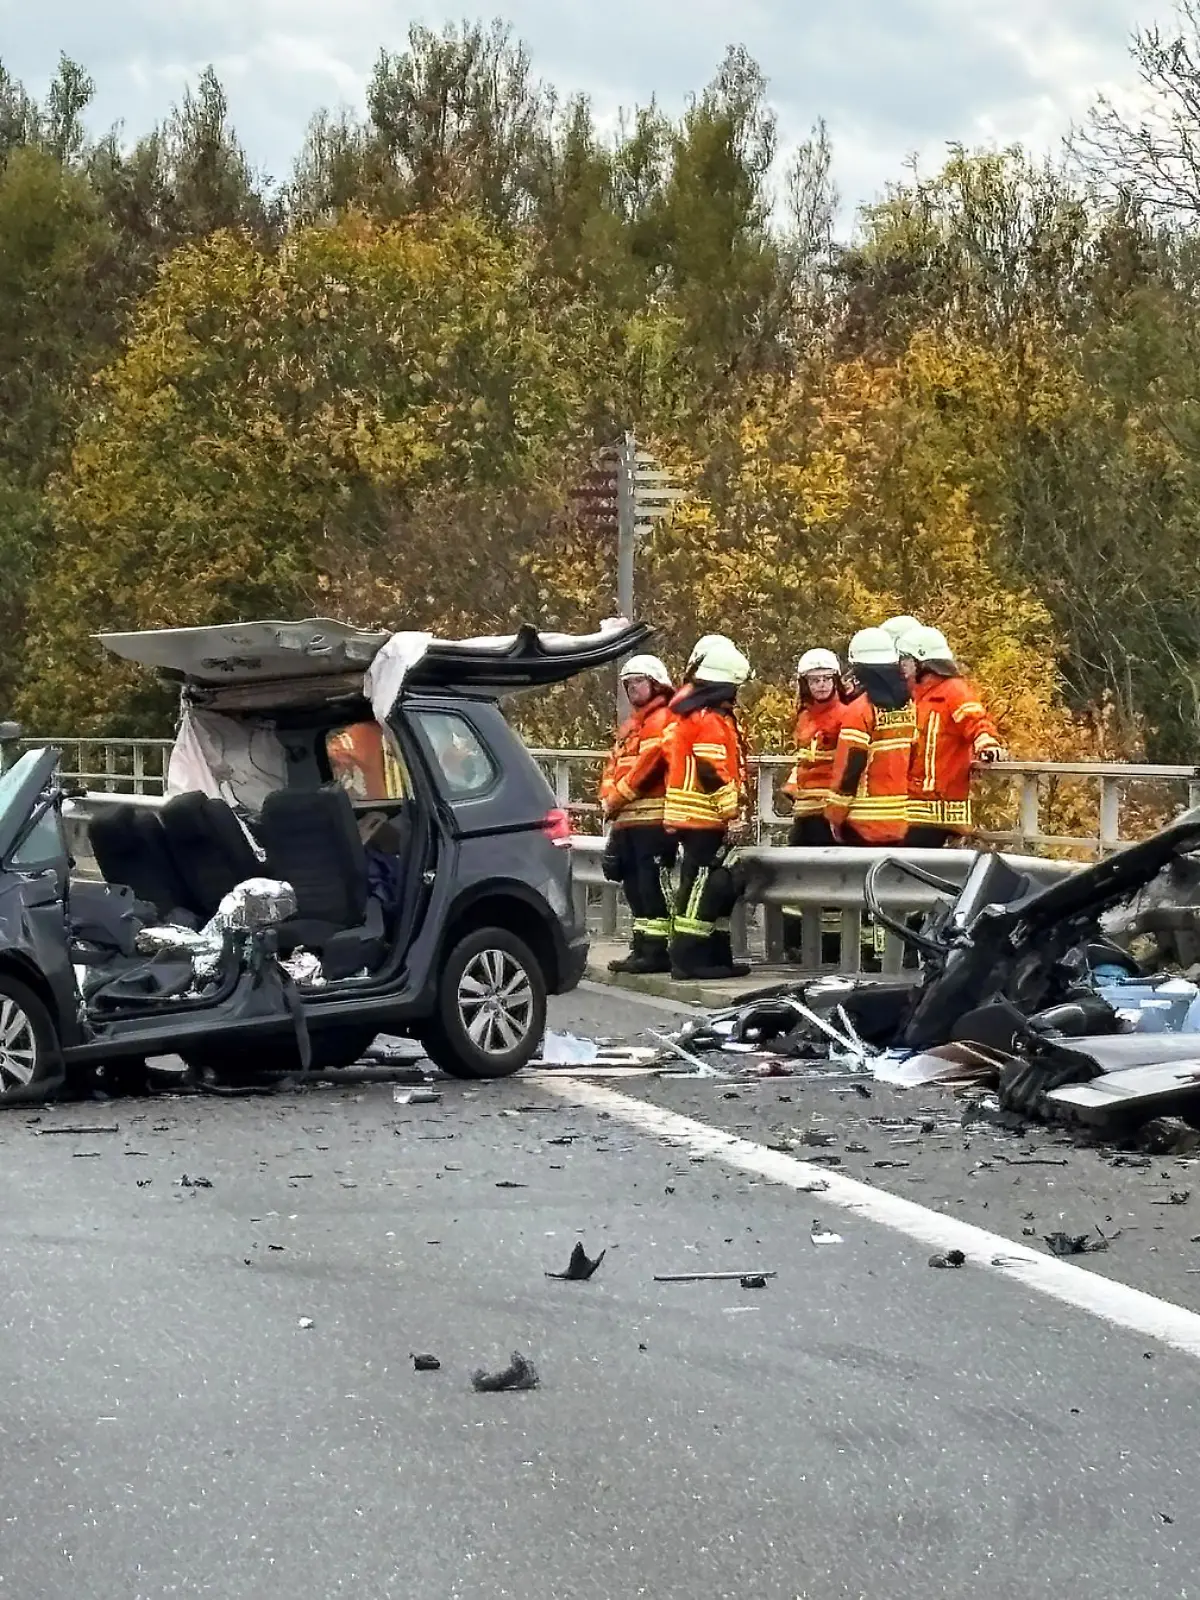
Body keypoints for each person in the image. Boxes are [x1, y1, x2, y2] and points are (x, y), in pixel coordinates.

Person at [663, 635, 752, 980]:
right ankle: (689, 959)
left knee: (706, 886)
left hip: (696, 817)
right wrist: (732, 813)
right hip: (702, 817)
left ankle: (715, 957)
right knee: (702, 887)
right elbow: (711, 769)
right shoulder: (710, 719)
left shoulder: (697, 715)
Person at [599, 654, 677, 974]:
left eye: (639, 682)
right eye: (628, 684)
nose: (633, 688)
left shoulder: (662, 720)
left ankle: (657, 952)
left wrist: (616, 798)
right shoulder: (631, 726)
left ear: (656, 684)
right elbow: (613, 765)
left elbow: (648, 767)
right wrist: (607, 796)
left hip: (652, 820)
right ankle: (642, 948)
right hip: (627, 820)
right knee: (633, 887)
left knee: (649, 887)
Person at [896, 623, 1006, 846]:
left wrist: (987, 743)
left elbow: (975, 720)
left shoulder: (953, 690)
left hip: (938, 806)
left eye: (906, 659)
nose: (902, 664)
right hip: (914, 802)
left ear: (922, 662)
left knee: (904, 862)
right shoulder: (917, 696)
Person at [780, 647, 847, 962]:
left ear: (835, 681)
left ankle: (831, 948)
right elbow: (803, 761)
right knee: (794, 877)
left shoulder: (845, 715)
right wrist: (792, 787)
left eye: (825, 679)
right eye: (814, 680)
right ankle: (794, 942)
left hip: (828, 810)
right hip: (804, 809)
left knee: (829, 879)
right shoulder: (805, 717)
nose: (820, 685)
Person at [824, 627, 916, 846]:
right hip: (905, 821)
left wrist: (835, 812)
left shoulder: (859, 710)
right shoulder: (913, 707)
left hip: (863, 824)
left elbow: (850, 766)